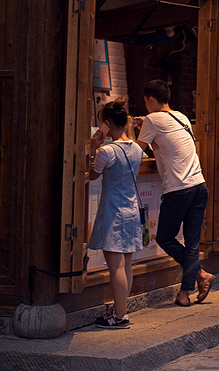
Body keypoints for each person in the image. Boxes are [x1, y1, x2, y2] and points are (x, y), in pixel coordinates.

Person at [132, 80, 214, 307]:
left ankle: (199, 276)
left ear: (150, 99)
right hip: (199, 185)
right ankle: (187, 290)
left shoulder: (152, 119)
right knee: (192, 244)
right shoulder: (182, 117)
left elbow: (135, 153)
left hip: (179, 190)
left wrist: (132, 131)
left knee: (165, 238)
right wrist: (145, 127)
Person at [87, 99, 144, 329]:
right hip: (131, 212)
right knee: (126, 266)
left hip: (113, 212)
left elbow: (92, 175)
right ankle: (120, 310)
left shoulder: (106, 151)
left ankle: (120, 316)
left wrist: (92, 146)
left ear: (107, 124)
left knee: (116, 268)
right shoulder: (137, 148)